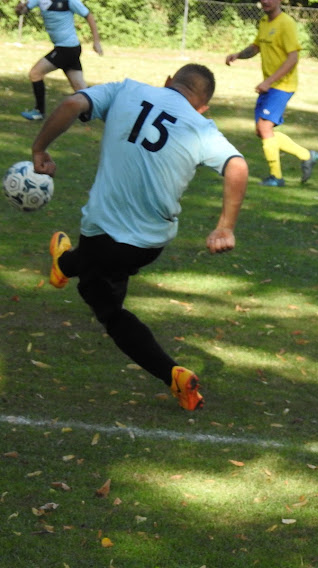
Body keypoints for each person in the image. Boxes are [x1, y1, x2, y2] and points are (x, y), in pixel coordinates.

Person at [31, 64, 249, 411]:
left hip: (102, 234)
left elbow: (72, 104)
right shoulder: (199, 126)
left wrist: (40, 148)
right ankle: (64, 265)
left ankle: (172, 374)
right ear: (202, 106)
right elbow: (237, 165)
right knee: (101, 273)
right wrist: (225, 226)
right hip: (149, 245)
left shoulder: (127, 89)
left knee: (106, 306)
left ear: (166, 81)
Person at [225, 0, 318, 187]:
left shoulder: (286, 23)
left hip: (282, 85)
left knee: (265, 127)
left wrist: (269, 81)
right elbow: (256, 47)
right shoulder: (264, 22)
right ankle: (307, 155)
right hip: (270, 85)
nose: (266, 1)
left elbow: (293, 57)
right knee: (261, 131)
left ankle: (276, 177)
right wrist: (238, 55)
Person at [15, 0, 103, 121]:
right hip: (68, 48)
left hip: (67, 48)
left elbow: (89, 16)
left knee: (35, 73)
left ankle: (39, 112)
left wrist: (96, 42)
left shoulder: (70, 1)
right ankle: (96, 112)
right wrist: (19, 8)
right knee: (80, 87)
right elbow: (22, 11)